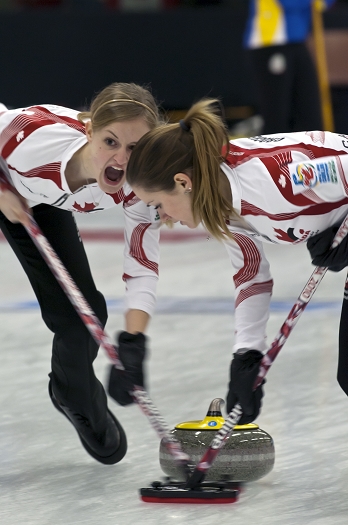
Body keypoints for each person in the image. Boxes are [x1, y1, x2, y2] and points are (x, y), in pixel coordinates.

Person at [125, 98, 348, 424]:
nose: (163, 217)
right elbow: (251, 276)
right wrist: (247, 353)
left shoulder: (280, 179)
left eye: (158, 204)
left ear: (183, 182)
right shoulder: (221, 203)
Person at [0, 82, 163, 464]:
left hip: (35, 200)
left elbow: (142, 265)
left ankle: (72, 393)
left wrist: (133, 342)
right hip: (7, 175)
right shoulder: (29, 139)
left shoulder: (137, 186)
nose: (122, 160)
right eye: (110, 142)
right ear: (88, 130)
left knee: (84, 317)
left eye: (136, 148)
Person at [243, 0, 336, 134]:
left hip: (297, 41)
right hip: (269, 42)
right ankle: (272, 153)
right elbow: (289, 3)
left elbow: (323, 4)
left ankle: (311, 152)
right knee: (277, 115)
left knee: (310, 111)